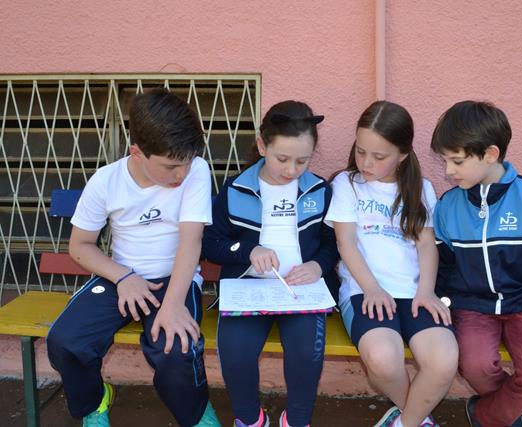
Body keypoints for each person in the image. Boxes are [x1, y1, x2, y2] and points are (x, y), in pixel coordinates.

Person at [46, 88, 220, 427]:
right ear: (137, 152)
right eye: (171, 167)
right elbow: (80, 245)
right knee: (66, 342)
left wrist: (172, 306)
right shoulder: (106, 181)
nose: (181, 174)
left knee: (175, 348)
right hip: (121, 278)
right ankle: (94, 403)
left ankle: (196, 415)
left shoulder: (196, 170)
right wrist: (124, 277)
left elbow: (191, 240)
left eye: (186, 163)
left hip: (175, 279)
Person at [430, 100, 522, 427]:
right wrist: (440, 304)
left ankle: (486, 414)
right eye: (445, 160)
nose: (448, 171)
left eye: (456, 161)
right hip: (472, 306)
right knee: (475, 366)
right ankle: (506, 413)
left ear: (490, 154)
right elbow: (443, 266)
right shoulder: (448, 205)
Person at [202, 100, 340, 427]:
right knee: (236, 354)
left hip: (302, 292)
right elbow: (210, 243)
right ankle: (251, 420)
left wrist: (318, 266)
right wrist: (248, 250)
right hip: (248, 290)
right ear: (262, 146)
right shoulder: (236, 189)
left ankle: (297, 420)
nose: (291, 170)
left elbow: (334, 242)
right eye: (282, 159)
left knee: (306, 354)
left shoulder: (319, 190)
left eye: (302, 161)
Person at [326, 100, 458, 427]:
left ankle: (406, 422)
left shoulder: (422, 189)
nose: (366, 162)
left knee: (444, 361)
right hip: (364, 290)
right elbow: (346, 243)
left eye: (379, 156)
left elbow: (426, 244)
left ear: (402, 154)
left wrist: (426, 291)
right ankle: (417, 417)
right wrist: (372, 289)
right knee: (383, 359)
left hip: (414, 292)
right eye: (360, 151)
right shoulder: (347, 184)